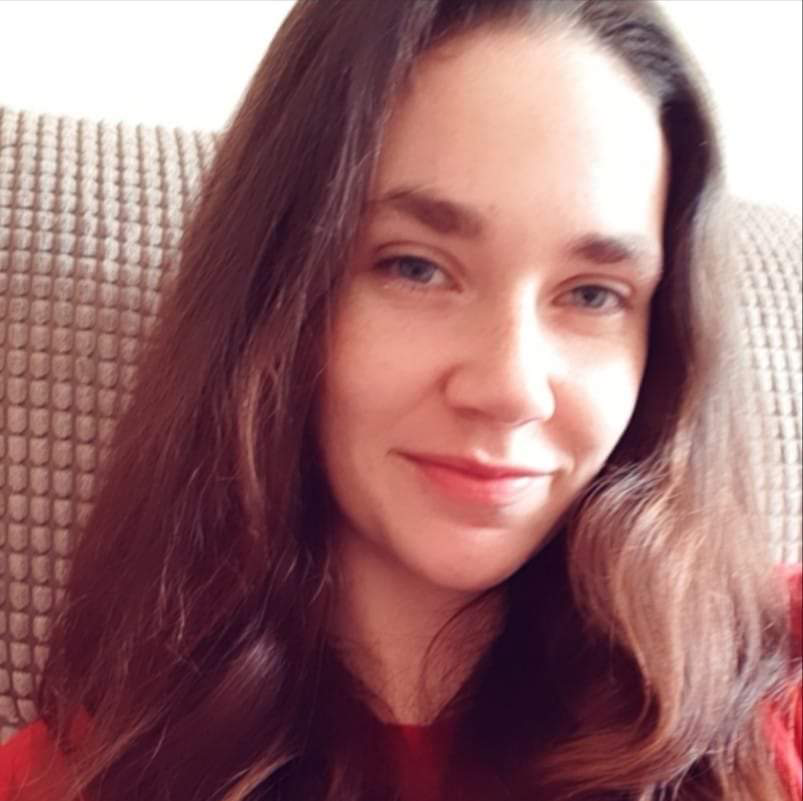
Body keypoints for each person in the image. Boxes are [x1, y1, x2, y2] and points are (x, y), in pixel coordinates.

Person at [1, 0, 800, 799]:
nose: (510, 387)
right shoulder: (78, 777)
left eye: (592, 293)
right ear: (276, 293)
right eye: (415, 267)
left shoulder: (767, 678)